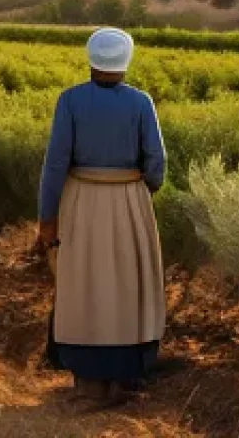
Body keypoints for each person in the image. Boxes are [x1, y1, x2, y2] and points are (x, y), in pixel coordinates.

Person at [37, 26, 166, 405]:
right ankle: (124, 378)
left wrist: (47, 218)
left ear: (90, 58)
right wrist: (142, 191)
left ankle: (89, 382)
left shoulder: (70, 101)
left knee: (85, 286)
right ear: (126, 61)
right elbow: (156, 162)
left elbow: (55, 163)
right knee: (128, 286)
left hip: (81, 200)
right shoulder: (141, 103)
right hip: (129, 199)